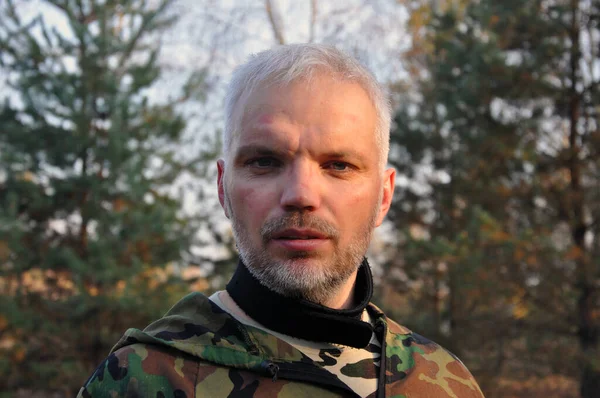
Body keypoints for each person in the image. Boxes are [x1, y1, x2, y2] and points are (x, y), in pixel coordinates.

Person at [78, 44, 484, 398]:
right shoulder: (141, 380)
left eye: (339, 165)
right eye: (265, 162)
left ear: (383, 196)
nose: (301, 196)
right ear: (223, 188)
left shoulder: (443, 382)